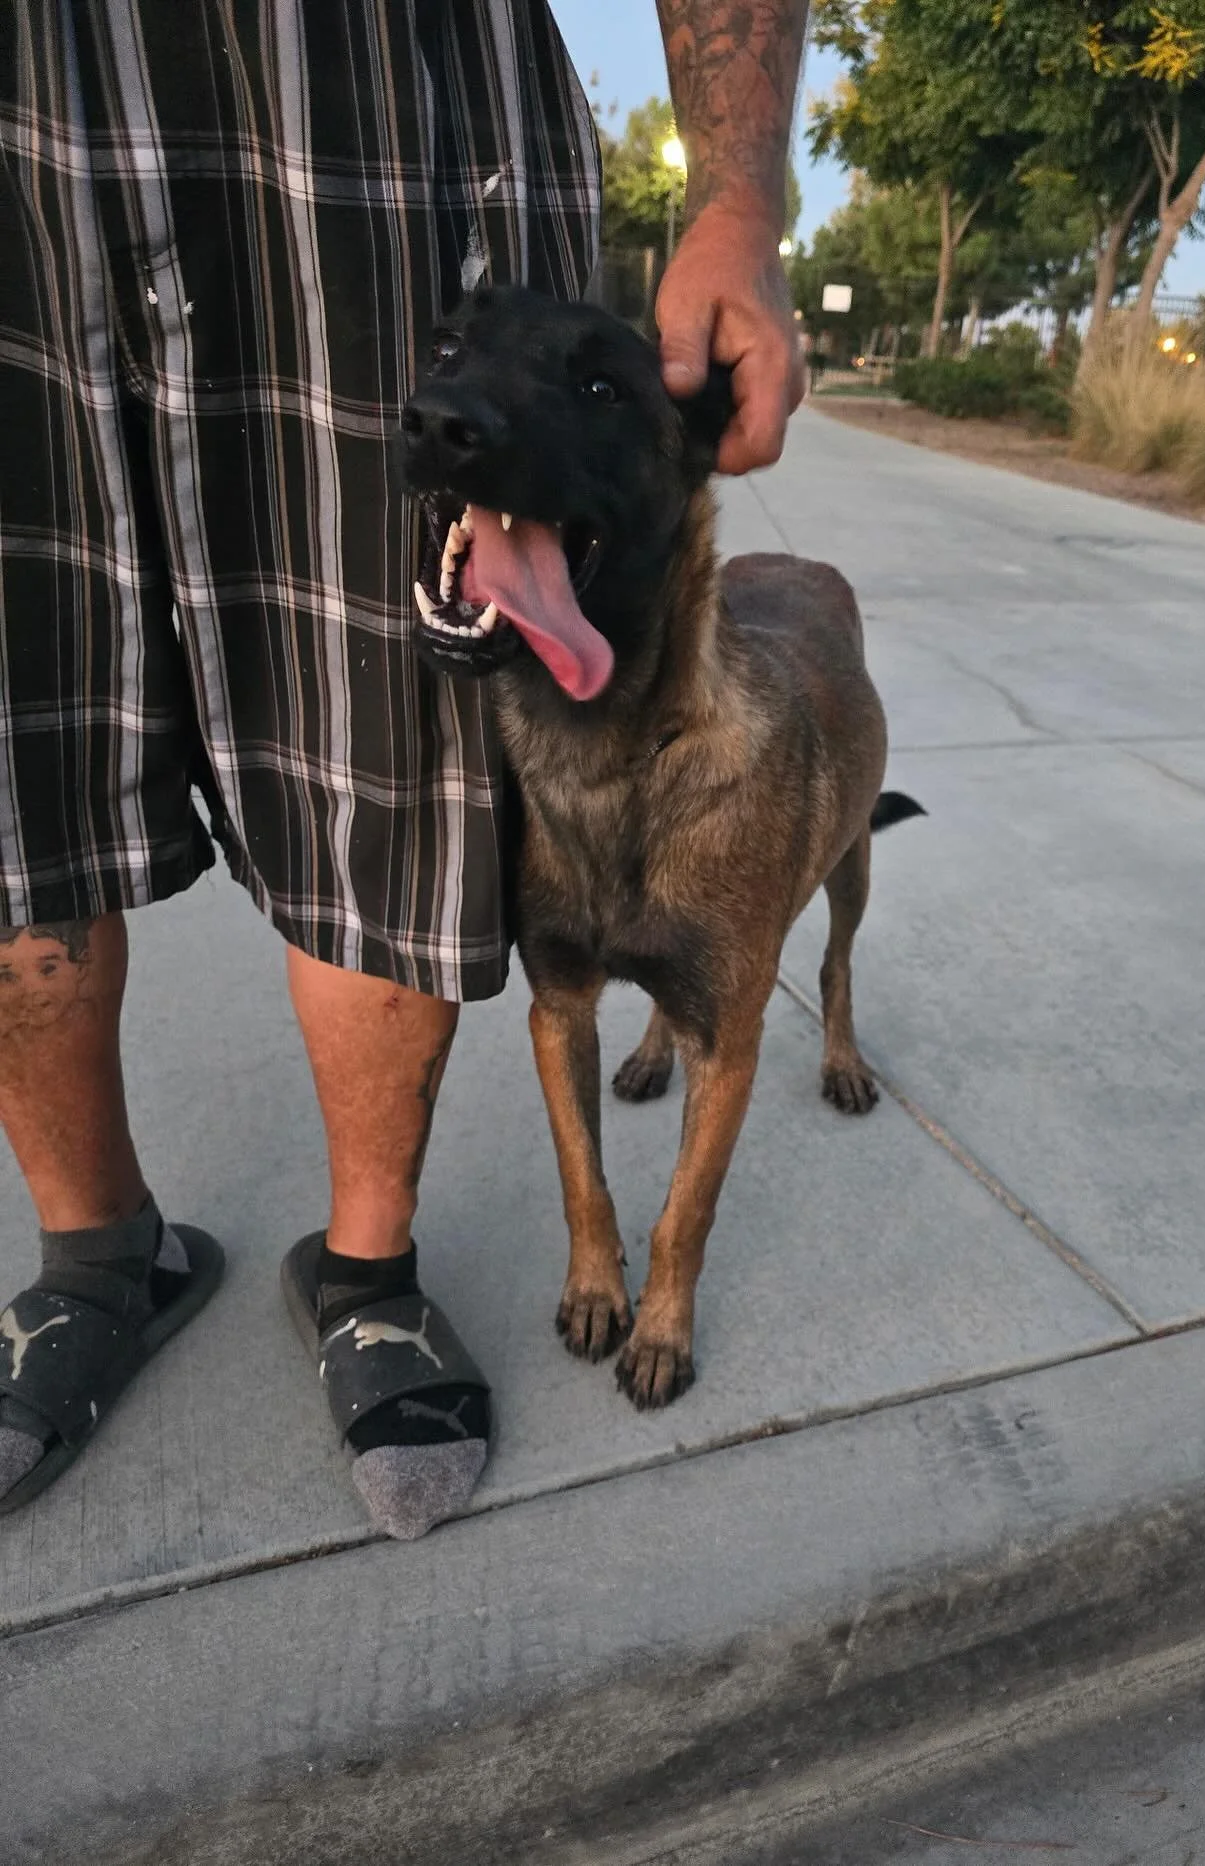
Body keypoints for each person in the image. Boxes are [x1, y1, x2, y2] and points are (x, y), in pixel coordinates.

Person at [0, 1, 807, 1539]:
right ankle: (96, 1253)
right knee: (9, 754)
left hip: (372, 81)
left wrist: (739, 190)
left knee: (380, 767)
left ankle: (367, 1270)